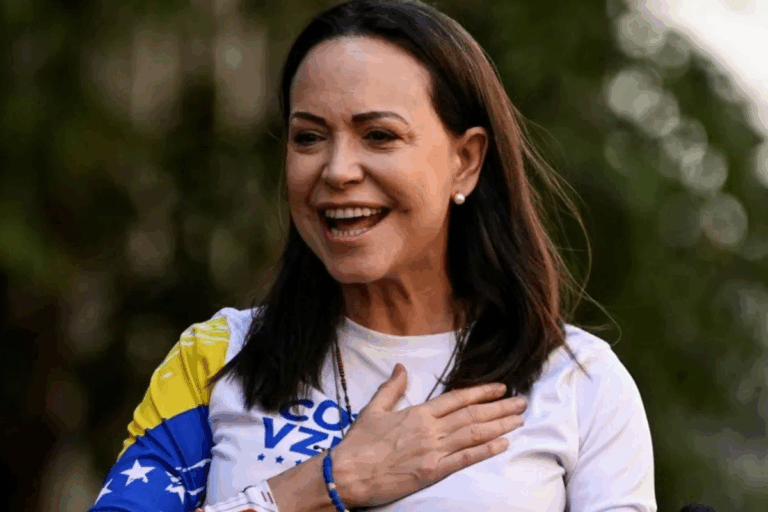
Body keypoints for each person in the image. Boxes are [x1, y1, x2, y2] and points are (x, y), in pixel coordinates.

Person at [88, 0, 658, 511]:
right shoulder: (217, 358)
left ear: (466, 160)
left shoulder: (580, 383)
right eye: (308, 137)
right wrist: (323, 484)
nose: (336, 171)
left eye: (379, 136)